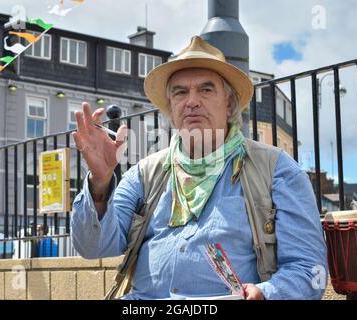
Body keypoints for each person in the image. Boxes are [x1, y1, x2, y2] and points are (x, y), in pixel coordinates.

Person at [71, 36, 327, 300]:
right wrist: (100, 182)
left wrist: (267, 294)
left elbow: (310, 269)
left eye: (206, 90)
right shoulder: (145, 173)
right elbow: (92, 247)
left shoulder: (276, 169)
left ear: (229, 104)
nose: (191, 101)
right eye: (180, 92)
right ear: (170, 106)